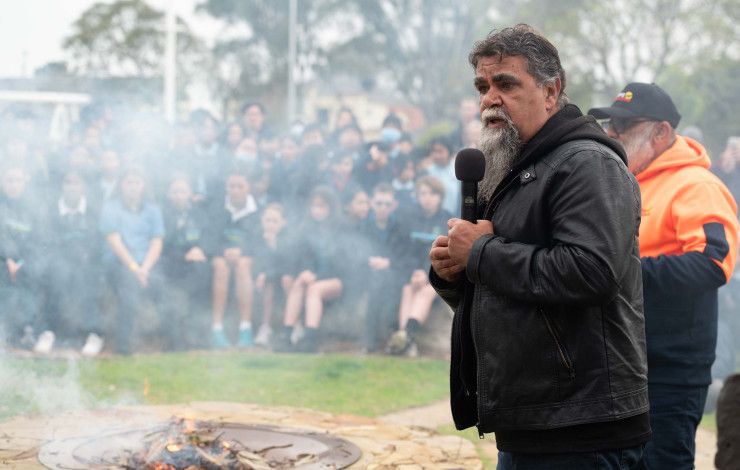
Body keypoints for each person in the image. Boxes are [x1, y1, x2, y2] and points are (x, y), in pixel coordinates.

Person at [429, 25, 650, 468]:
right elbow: (510, 289)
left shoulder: (587, 164)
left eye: (506, 83)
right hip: (533, 421)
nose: (490, 98)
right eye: (482, 86)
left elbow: (593, 273)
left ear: (552, 92)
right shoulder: (513, 166)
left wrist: (482, 252)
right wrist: (454, 271)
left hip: (582, 428)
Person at [589, 82, 739, 469]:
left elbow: (712, 262)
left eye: (623, 126)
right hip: (621, 361)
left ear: (661, 132)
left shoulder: (697, 186)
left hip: (672, 368)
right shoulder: (623, 181)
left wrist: (624, 271)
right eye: (609, 125)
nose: (611, 135)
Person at [99, 166, 165, 355]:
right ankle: (124, 347)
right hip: (119, 264)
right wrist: (135, 268)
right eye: (129, 182)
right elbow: (114, 241)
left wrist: (144, 268)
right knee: (129, 291)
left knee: (166, 288)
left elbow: (157, 241)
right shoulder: (110, 208)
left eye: (137, 182)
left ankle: (174, 343)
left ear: (143, 186)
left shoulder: (153, 210)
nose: (133, 187)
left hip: (147, 265)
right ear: (121, 185)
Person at [274, 186, 346, 353]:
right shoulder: (306, 229)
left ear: (331, 207)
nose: (317, 211)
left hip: (337, 280)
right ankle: (287, 334)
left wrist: (318, 276)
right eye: (314, 206)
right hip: (313, 276)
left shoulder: (342, 229)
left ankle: (310, 338)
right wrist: (306, 272)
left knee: (314, 289)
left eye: (322, 206)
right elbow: (302, 257)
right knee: (299, 283)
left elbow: (342, 263)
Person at [40, 169, 104, 356]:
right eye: (68, 182)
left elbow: (98, 243)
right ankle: (49, 332)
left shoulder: (93, 211)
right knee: (55, 275)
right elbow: (46, 241)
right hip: (59, 262)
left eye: (76, 183)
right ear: (62, 186)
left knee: (88, 279)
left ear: (83, 187)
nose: (72, 187)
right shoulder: (52, 211)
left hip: (88, 264)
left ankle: (94, 334)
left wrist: (85, 258)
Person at [387, 176, 451, 357]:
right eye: (422, 193)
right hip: (413, 274)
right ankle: (406, 340)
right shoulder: (409, 219)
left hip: (437, 275)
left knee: (425, 291)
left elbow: (445, 252)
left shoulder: (447, 220)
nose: (427, 198)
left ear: (440, 196)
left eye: (432, 193)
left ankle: (404, 338)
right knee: (408, 288)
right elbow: (404, 251)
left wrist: (426, 272)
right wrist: (415, 271)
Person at [204, 170, 259, 349]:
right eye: (231, 186)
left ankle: (245, 328)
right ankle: (217, 328)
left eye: (240, 186)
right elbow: (209, 237)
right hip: (221, 255)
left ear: (248, 188)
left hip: (248, 257)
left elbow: (259, 241)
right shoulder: (217, 208)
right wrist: (224, 251)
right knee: (221, 267)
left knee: (243, 266)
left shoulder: (257, 211)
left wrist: (241, 251)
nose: (235, 190)